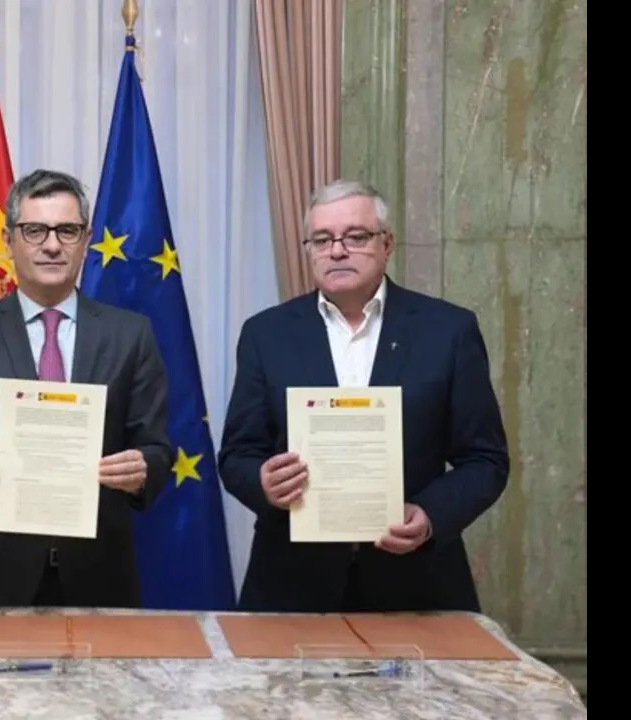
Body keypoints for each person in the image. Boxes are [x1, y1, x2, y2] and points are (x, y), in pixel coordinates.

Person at [218, 179, 509, 613]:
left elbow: (485, 459)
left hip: (415, 583)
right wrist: (263, 482)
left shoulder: (448, 330)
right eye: (322, 239)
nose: (337, 251)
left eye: (355, 236)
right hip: (291, 585)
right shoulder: (266, 334)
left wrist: (430, 515)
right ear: (309, 250)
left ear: (386, 244)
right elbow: (237, 455)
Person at [0, 169, 172, 608]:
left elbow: (157, 448)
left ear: (86, 240)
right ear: (8, 240)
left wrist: (141, 470)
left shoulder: (131, 335)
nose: (52, 245)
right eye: (34, 230)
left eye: (67, 231)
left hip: (100, 575)